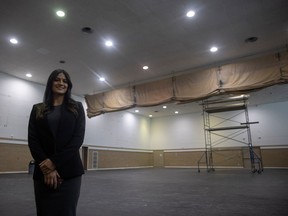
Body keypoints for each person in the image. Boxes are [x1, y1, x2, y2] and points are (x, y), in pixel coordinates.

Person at [28, 69, 86, 216]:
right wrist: (46, 167)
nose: (61, 83)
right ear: (50, 83)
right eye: (57, 79)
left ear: (69, 85)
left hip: (70, 173)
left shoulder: (77, 107)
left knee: (67, 212)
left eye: (65, 81)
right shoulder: (38, 109)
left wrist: (53, 162)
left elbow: (77, 139)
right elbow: (33, 140)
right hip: (43, 172)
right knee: (44, 211)